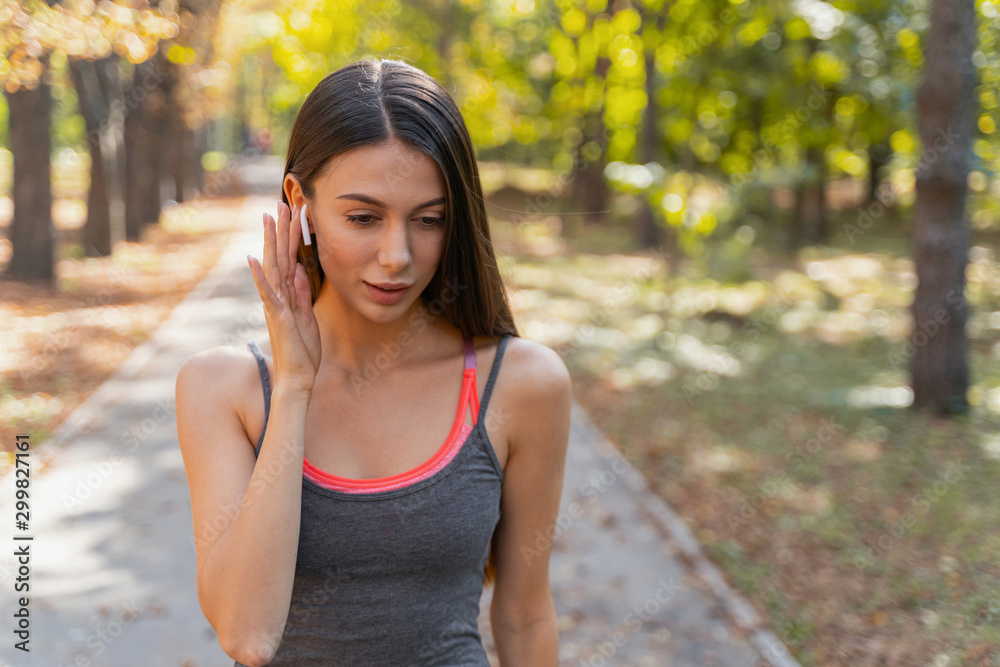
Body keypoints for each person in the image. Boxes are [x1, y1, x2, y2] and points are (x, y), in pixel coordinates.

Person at [175, 58, 572, 666]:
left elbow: (525, 616)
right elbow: (247, 635)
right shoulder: (224, 389)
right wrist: (295, 387)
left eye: (429, 220)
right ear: (299, 203)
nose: (397, 256)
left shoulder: (520, 384)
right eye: (363, 218)